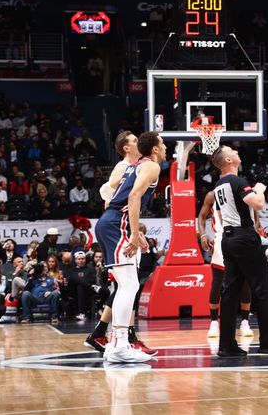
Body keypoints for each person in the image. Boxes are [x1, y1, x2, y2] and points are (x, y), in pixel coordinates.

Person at [94, 131, 165, 363]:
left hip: (112, 222)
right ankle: (119, 345)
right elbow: (133, 196)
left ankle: (118, 342)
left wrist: (137, 234)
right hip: (117, 223)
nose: (165, 147)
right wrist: (134, 233)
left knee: (127, 285)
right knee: (128, 285)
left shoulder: (137, 166)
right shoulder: (152, 167)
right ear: (154, 149)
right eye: (162, 144)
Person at [211, 145, 268, 357]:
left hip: (228, 239)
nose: (237, 152)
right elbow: (259, 203)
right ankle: (267, 342)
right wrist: (260, 189)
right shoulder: (237, 182)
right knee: (261, 289)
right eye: (232, 151)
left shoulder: (218, 185)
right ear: (227, 160)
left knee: (230, 292)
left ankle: (226, 344)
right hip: (244, 238)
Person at [197, 189, 254, 340]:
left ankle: (244, 322)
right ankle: (214, 322)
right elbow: (202, 216)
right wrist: (202, 234)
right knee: (217, 283)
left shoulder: (242, 192)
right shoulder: (212, 195)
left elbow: (254, 214)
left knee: (244, 283)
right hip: (221, 238)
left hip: (242, 237)